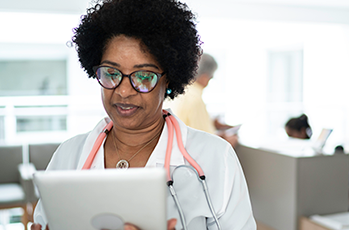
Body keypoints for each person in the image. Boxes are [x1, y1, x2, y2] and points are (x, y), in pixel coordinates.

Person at [30, 0, 256, 229]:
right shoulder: (68, 155)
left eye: (144, 76)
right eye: (111, 72)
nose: (124, 90)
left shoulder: (216, 158)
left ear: (168, 80)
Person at [169, 53, 238, 147]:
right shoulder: (195, 100)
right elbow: (207, 146)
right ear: (204, 77)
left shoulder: (175, 92)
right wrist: (228, 144)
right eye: (211, 77)